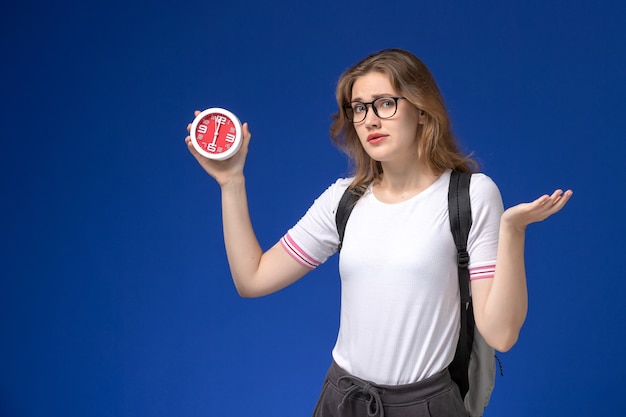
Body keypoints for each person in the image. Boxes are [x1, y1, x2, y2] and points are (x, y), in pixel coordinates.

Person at [184, 48, 572, 417]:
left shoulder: (471, 196)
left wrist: (513, 231)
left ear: (422, 110)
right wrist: (231, 182)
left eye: (385, 103)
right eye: (358, 108)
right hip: (342, 400)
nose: (369, 119)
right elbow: (252, 279)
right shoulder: (344, 200)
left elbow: (501, 335)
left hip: (426, 406)